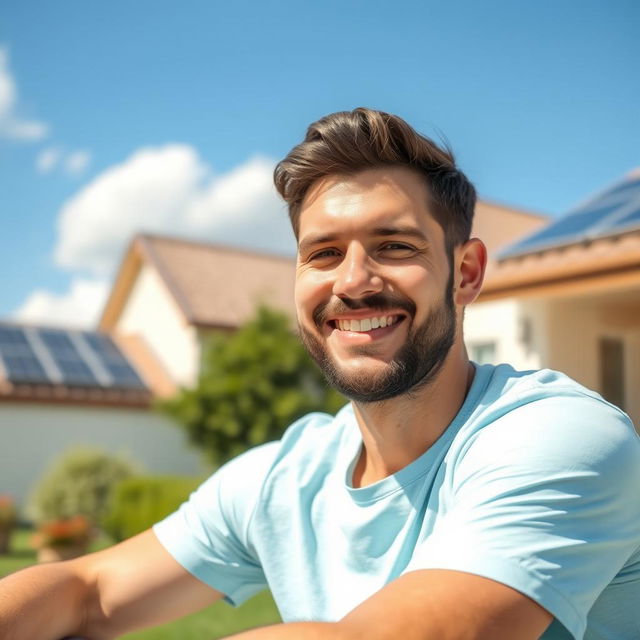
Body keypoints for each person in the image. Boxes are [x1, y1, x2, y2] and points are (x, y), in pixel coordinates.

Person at [1, 108, 639, 640]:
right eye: (324, 254)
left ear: (467, 273)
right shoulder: (286, 477)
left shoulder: (561, 437)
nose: (354, 282)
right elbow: (88, 589)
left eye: (395, 246)